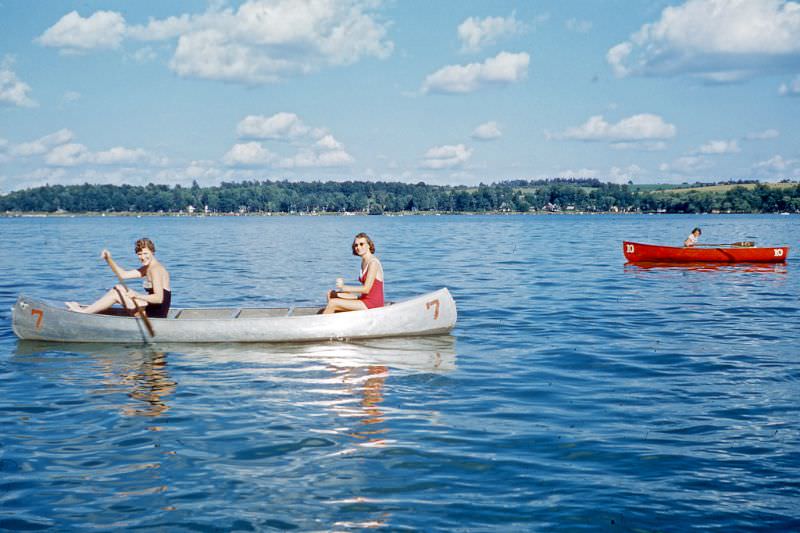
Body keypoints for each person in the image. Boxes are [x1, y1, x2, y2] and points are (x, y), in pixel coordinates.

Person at [66, 238, 171, 318]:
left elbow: (158, 298)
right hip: (151, 308)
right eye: (139, 254)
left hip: (154, 315)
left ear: (152, 252)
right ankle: (88, 309)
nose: (143, 257)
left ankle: (84, 313)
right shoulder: (148, 267)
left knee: (116, 294)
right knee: (118, 288)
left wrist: (137, 295)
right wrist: (108, 259)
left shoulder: (155, 269)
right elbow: (123, 275)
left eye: (145, 253)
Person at [323, 232, 384, 314]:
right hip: (364, 299)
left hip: (373, 304)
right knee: (331, 294)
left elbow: (366, 289)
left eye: (361, 244)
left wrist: (343, 287)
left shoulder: (373, 263)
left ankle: (324, 320)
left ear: (369, 245)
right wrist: (344, 291)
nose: (358, 247)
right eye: (356, 245)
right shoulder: (364, 261)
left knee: (333, 303)